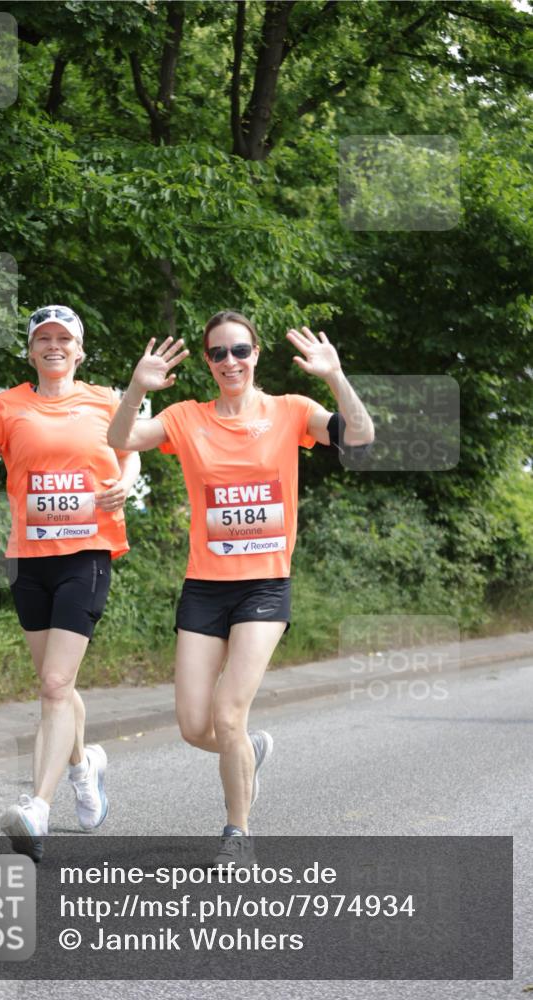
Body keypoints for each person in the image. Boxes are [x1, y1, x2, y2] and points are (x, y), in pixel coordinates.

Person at [107, 311, 374, 865]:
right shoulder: (186, 418)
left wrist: (335, 376)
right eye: (219, 353)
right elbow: (121, 437)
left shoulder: (290, 412)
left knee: (229, 712)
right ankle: (248, 752)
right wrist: (137, 385)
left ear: (256, 355)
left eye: (240, 350)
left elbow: (362, 436)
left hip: (264, 586)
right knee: (192, 726)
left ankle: (237, 833)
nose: (231, 361)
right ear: (208, 362)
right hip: (204, 586)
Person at [0, 305, 140, 861]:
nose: (54, 346)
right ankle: (84, 765)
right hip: (29, 559)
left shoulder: (106, 399)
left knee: (55, 686)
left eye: (64, 339)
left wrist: (123, 485)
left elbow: (130, 459)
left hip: (88, 553)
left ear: (79, 351)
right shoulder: (8, 405)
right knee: (59, 685)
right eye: (43, 339)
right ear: (31, 351)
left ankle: (37, 806)